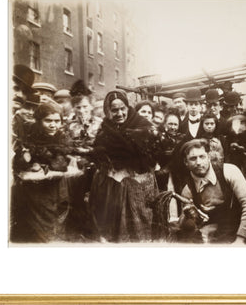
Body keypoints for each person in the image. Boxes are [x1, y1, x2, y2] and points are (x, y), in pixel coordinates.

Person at [89, 90, 159, 242]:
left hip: (138, 185)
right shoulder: (105, 128)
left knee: (138, 225)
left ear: (128, 108)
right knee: (113, 227)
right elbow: (99, 153)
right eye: (114, 110)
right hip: (112, 186)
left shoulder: (142, 125)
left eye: (123, 109)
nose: (119, 113)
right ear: (108, 111)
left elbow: (152, 156)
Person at [11, 102, 75, 243]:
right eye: (48, 121)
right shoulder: (29, 136)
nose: (53, 125)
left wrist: (40, 162)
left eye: (57, 121)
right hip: (34, 192)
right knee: (37, 229)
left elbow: (61, 163)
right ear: (39, 121)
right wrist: (26, 158)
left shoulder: (62, 138)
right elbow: (19, 162)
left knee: (57, 223)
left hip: (57, 188)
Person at [179, 139, 246, 244]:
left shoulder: (229, 171)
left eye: (202, 156)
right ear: (185, 162)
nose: (198, 162)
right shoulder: (188, 190)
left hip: (242, 229)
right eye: (193, 158)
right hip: (214, 235)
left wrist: (240, 239)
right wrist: (188, 219)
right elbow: (187, 225)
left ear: (208, 157)